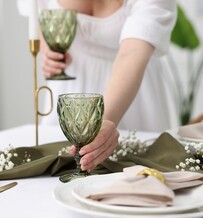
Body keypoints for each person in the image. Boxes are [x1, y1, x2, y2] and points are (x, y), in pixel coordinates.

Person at [18, 0, 177, 172]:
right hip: (69, 98)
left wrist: (101, 121)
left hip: (131, 95)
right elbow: (38, 13)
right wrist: (47, 48)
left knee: (137, 178)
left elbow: (131, 54)